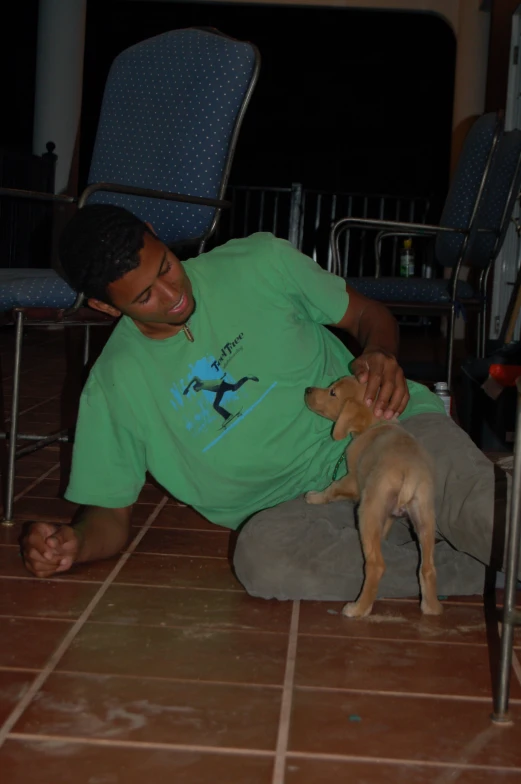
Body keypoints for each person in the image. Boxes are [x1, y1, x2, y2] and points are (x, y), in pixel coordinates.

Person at [21, 204, 506, 600]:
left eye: (165, 266)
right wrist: (77, 543)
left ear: (155, 233)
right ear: (106, 307)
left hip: (387, 435)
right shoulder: (113, 386)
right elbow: (108, 513)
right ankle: (464, 566)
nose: (173, 295)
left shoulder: (258, 262)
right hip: (307, 509)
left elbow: (367, 315)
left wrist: (379, 353)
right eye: (145, 296)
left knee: (485, 513)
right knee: (263, 561)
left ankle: (457, 525)